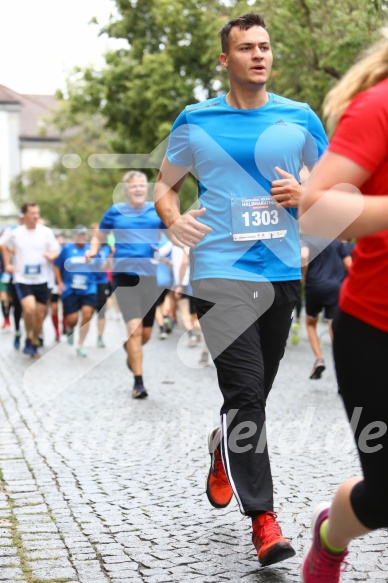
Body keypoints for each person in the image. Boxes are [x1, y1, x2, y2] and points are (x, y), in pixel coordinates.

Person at [154, 12, 328, 567]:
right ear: (224, 60)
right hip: (219, 275)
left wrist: (306, 193)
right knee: (248, 396)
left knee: (251, 396)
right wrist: (172, 220)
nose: (259, 54)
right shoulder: (196, 120)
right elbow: (165, 187)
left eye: (265, 46)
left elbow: (332, 188)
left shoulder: (299, 118)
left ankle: (222, 448)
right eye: (246, 47)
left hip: (278, 276)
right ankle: (264, 520)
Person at [299, 28, 388, 583]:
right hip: (375, 329)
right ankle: (332, 536)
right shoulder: (378, 108)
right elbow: (315, 213)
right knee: (386, 495)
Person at [88, 171, 167, 399]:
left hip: (150, 278)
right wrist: (94, 250)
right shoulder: (115, 212)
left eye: (142, 186)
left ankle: (129, 349)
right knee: (134, 331)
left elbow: (174, 231)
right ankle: (138, 383)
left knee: (145, 335)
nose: (139, 189)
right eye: (134, 187)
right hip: (124, 278)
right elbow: (99, 235)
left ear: (147, 189)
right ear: (126, 190)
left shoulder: (157, 210)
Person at [2, 203, 59, 358]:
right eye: (32, 213)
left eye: (37, 213)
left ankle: (32, 341)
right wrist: (7, 264)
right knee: (29, 309)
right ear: (24, 215)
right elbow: (3, 246)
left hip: (42, 279)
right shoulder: (14, 232)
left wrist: (51, 255)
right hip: (22, 278)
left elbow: (55, 249)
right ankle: (27, 335)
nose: (36, 216)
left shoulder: (46, 232)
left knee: (40, 315)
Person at [300, 236, 352, 379]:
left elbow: (304, 256)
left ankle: (319, 359)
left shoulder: (306, 239)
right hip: (336, 288)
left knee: (310, 323)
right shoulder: (337, 241)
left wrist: (303, 275)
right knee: (332, 325)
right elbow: (350, 266)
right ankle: (341, 363)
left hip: (315, 287)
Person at [54, 225, 97, 357]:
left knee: (87, 315)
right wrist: (60, 283)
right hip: (70, 288)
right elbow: (56, 266)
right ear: (74, 236)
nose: (81, 237)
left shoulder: (91, 249)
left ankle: (81, 344)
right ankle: (70, 328)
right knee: (72, 318)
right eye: (78, 235)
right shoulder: (67, 249)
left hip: (89, 288)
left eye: (83, 235)